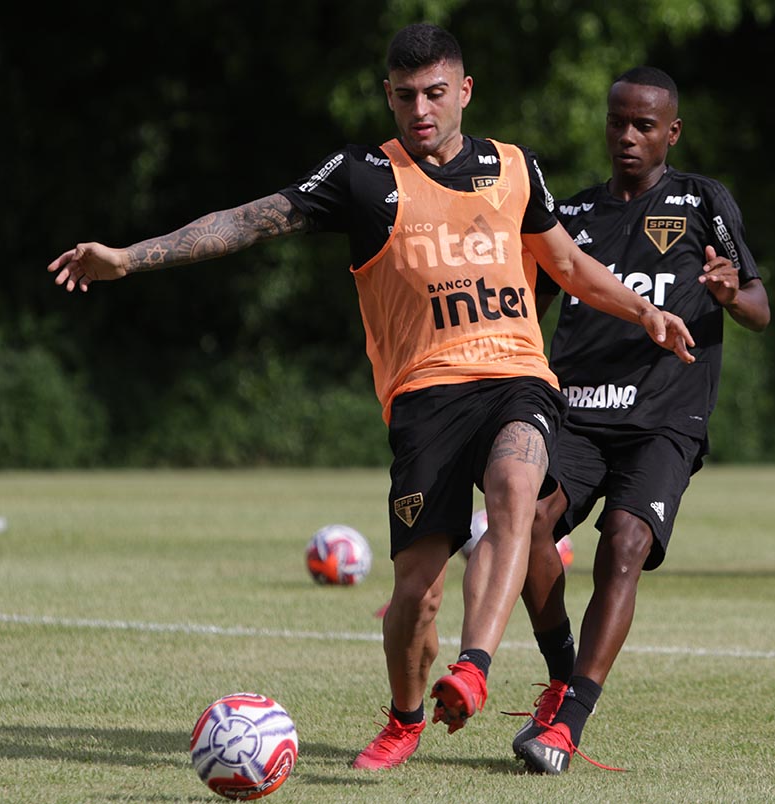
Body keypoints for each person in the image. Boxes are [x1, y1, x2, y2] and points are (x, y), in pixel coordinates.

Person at [46, 25, 697, 770]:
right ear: (388, 95)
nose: (420, 109)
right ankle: (405, 717)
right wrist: (128, 259)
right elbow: (247, 221)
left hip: (516, 373)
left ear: (465, 91)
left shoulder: (514, 167)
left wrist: (643, 310)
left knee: (518, 482)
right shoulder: (361, 174)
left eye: (435, 93)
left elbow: (570, 266)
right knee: (417, 589)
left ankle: (475, 667)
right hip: (424, 395)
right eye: (404, 95)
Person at [508, 66, 770, 775]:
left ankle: (567, 726)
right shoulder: (574, 217)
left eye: (644, 125)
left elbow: (758, 306)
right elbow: (528, 313)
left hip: (664, 418)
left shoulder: (700, 202)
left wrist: (727, 294)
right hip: (579, 413)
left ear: (671, 131)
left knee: (622, 543)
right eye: (617, 122)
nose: (627, 136)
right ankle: (562, 672)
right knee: (525, 525)